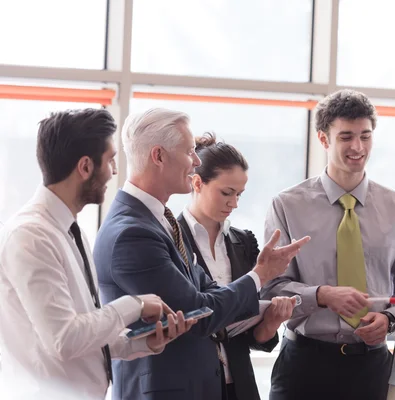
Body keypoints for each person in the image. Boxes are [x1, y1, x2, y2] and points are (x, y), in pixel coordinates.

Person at [93, 108, 309, 400]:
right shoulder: (133, 233)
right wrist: (260, 275)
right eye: (190, 151)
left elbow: (207, 292)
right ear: (158, 156)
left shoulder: (160, 220)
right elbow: (197, 312)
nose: (196, 161)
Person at [0, 109, 194, 400]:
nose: (115, 171)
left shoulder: (68, 231)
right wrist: (135, 304)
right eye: (111, 159)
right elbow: (64, 339)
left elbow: (86, 333)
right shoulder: (31, 237)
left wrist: (143, 342)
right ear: (86, 167)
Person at [261, 89, 395, 400]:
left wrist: (388, 320)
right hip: (304, 365)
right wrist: (320, 295)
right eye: (346, 137)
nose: (357, 147)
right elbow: (270, 288)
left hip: (372, 367)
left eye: (365, 136)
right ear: (323, 139)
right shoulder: (287, 206)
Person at [178, 132, 295, 400]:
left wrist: (272, 321)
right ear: (197, 182)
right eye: (226, 193)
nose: (234, 203)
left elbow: (250, 336)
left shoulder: (243, 242)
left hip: (239, 386)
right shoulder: (171, 238)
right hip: (192, 384)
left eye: (240, 194)